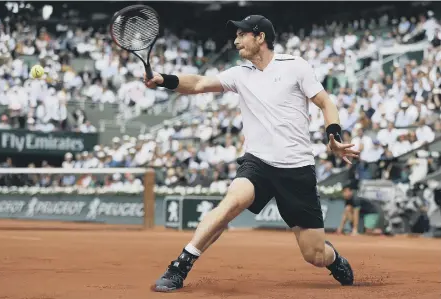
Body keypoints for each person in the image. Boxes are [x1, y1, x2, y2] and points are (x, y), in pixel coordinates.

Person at [144, 15, 359, 292]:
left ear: (260, 37)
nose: (236, 41)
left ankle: (333, 259)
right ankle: (180, 266)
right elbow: (198, 83)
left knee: (314, 254)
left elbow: (325, 102)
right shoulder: (239, 74)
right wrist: (164, 79)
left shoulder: (295, 66)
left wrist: (334, 135)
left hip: (297, 169)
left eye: (242, 35)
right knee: (233, 201)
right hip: (258, 164)